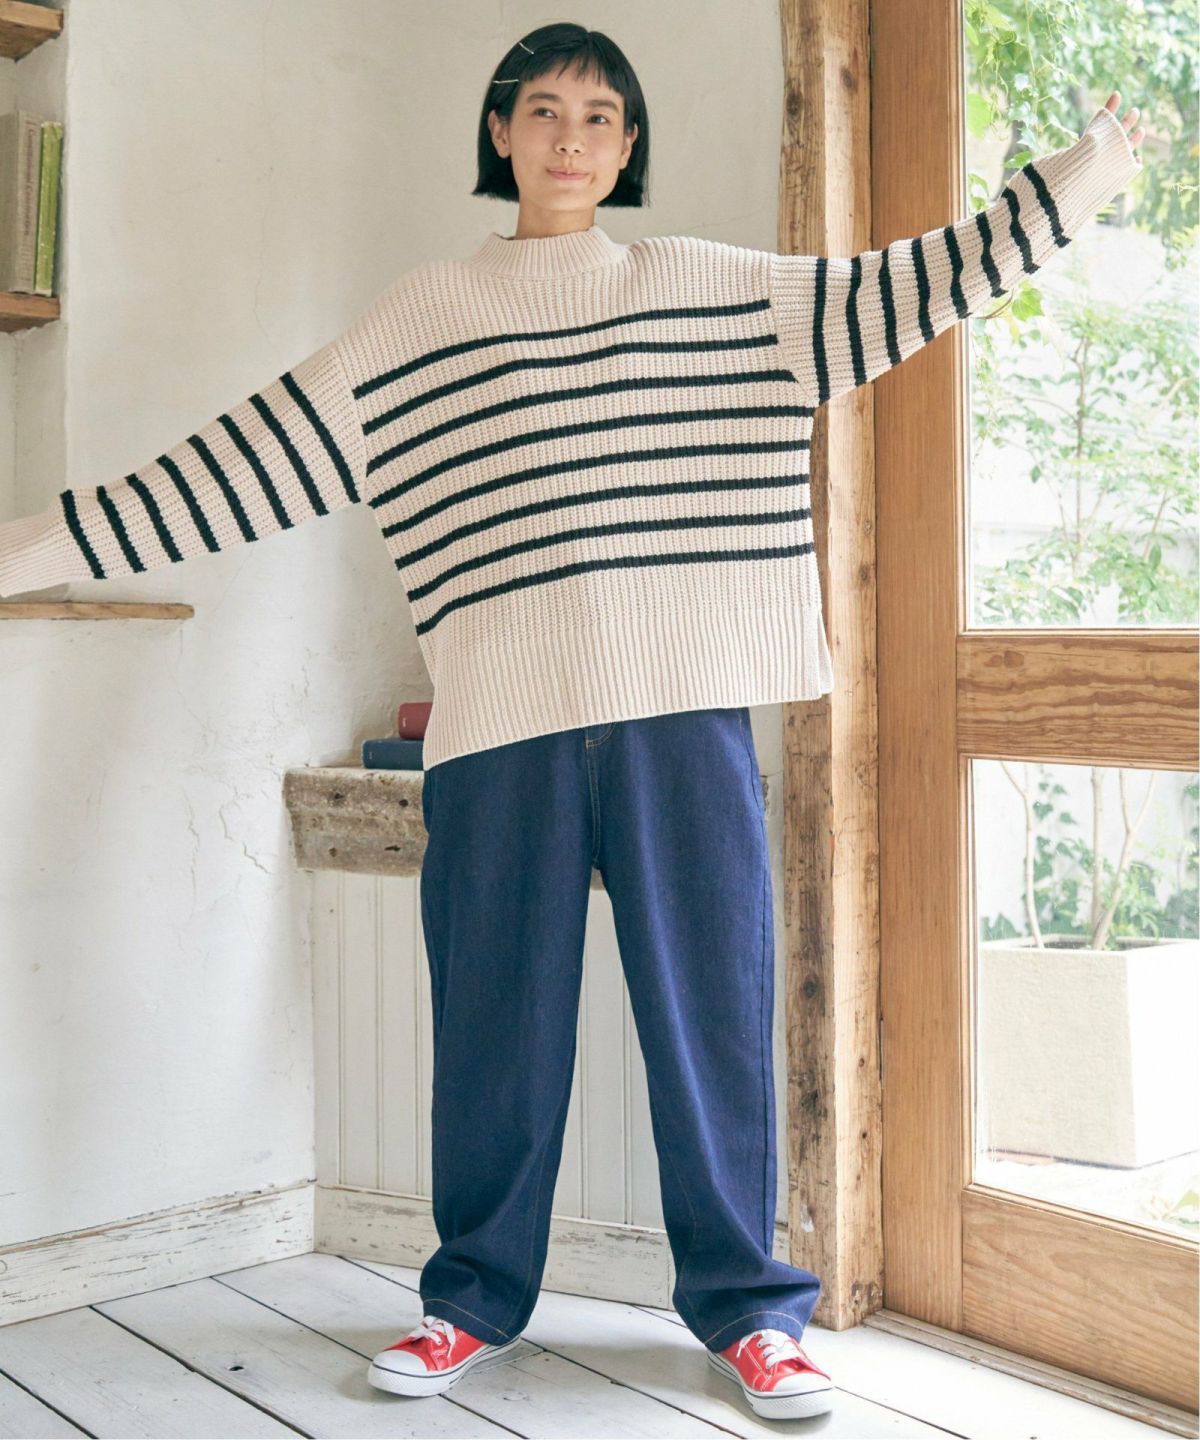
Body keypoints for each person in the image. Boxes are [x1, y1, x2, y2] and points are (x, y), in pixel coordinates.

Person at [0, 21, 1144, 1425]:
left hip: (682, 722)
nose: (570, 137)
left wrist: (1079, 177)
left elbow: (912, 286)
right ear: (499, 132)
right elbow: (239, 465)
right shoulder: (426, 318)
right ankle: (471, 1302)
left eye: (600, 116)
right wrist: (23, 551)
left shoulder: (715, 290)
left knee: (716, 1022)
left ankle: (751, 1316)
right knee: (496, 1029)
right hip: (503, 731)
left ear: (627, 146)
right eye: (543, 110)